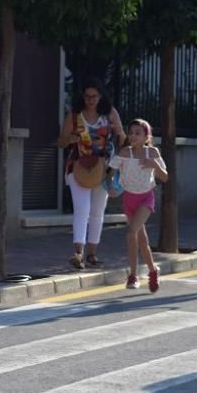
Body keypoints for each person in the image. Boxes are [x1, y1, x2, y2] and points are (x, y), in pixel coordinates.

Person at [56, 78, 126, 270]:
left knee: (97, 211)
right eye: (87, 96)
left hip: (104, 168)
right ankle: (78, 252)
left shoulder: (110, 114)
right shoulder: (74, 116)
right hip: (78, 166)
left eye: (94, 96)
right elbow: (61, 142)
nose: (90, 100)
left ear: (100, 96)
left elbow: (122, 136)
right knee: (82, 209)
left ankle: (92, 254)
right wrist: (68, 139)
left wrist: (119, 162)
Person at [109, 119, 168, 292]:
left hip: (145, 198)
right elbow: (110, 172)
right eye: (131, 132)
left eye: (138, 133)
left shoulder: (152, 152)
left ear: (146, 136)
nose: (133, 136)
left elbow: (165, 177)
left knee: (131, 232)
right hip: (129, 199)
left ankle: (133, 275)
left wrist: (155, 165)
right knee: (142, 241)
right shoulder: (125, 153)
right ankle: (153, 270)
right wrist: (110, 186)